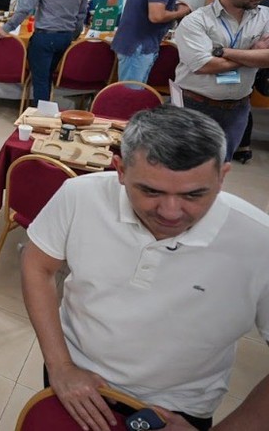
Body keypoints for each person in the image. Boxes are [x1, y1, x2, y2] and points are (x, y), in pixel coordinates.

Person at [20, 105, 269, 431]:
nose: (170, 212)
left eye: (194, 194)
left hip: (179, 408)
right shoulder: (80, 196)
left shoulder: (259, 241)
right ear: (121, 170)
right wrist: (60, 365)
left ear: (222, 176)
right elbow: (37, 265)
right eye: (151, 191)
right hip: (74, 376)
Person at [172, 0, 269, 163]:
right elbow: (204, 65)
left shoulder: (265, 17)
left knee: (220, 167)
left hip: (237, 109)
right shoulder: (197, 21)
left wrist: (224, 52)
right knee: (182, 165)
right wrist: (253, 54)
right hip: (195, 105)